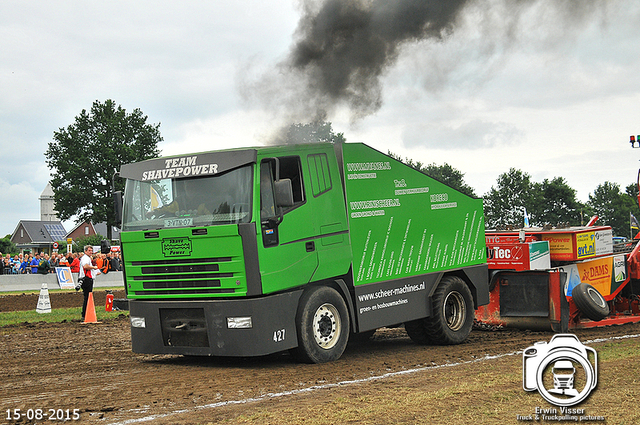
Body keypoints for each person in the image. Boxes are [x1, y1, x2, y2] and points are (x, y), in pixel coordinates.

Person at [78, 246, 99, 321]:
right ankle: (85, 315)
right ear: (85, 251)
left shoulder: (87, 258)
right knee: (87, 297)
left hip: (87, 278)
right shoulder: (85, 258)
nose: (91, 252)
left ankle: (85, 314)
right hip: (86, 279)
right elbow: (86, 266)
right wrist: (94, 267)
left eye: (91, 250)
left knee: (87, 297)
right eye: (89, 250)